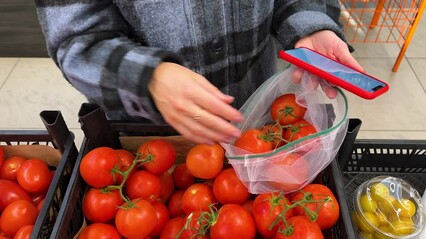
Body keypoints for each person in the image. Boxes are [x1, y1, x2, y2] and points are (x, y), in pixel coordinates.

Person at [35, 0, 363, 144]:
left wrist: (306, 23)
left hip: (260, 112)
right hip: (153, 132)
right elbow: (77, 40)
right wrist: (149, 77)